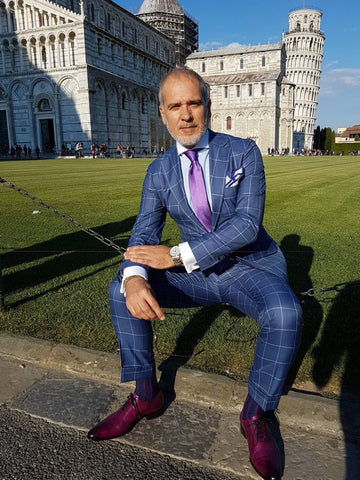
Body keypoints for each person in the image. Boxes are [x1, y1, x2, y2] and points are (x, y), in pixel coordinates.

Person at [87, 67, 303, 480]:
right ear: (163, 114)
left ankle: (255, 413)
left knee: (286, 313)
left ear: (207, 105)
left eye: (193, 103)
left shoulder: (242, 152)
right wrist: (134, 276)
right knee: (120, 289)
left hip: (246, 266)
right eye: (175, 106)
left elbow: (246, 226)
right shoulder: (158, 171)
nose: (185, 115)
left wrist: (176, 253)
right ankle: (146, 394)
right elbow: (142, 232)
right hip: (199, 273)